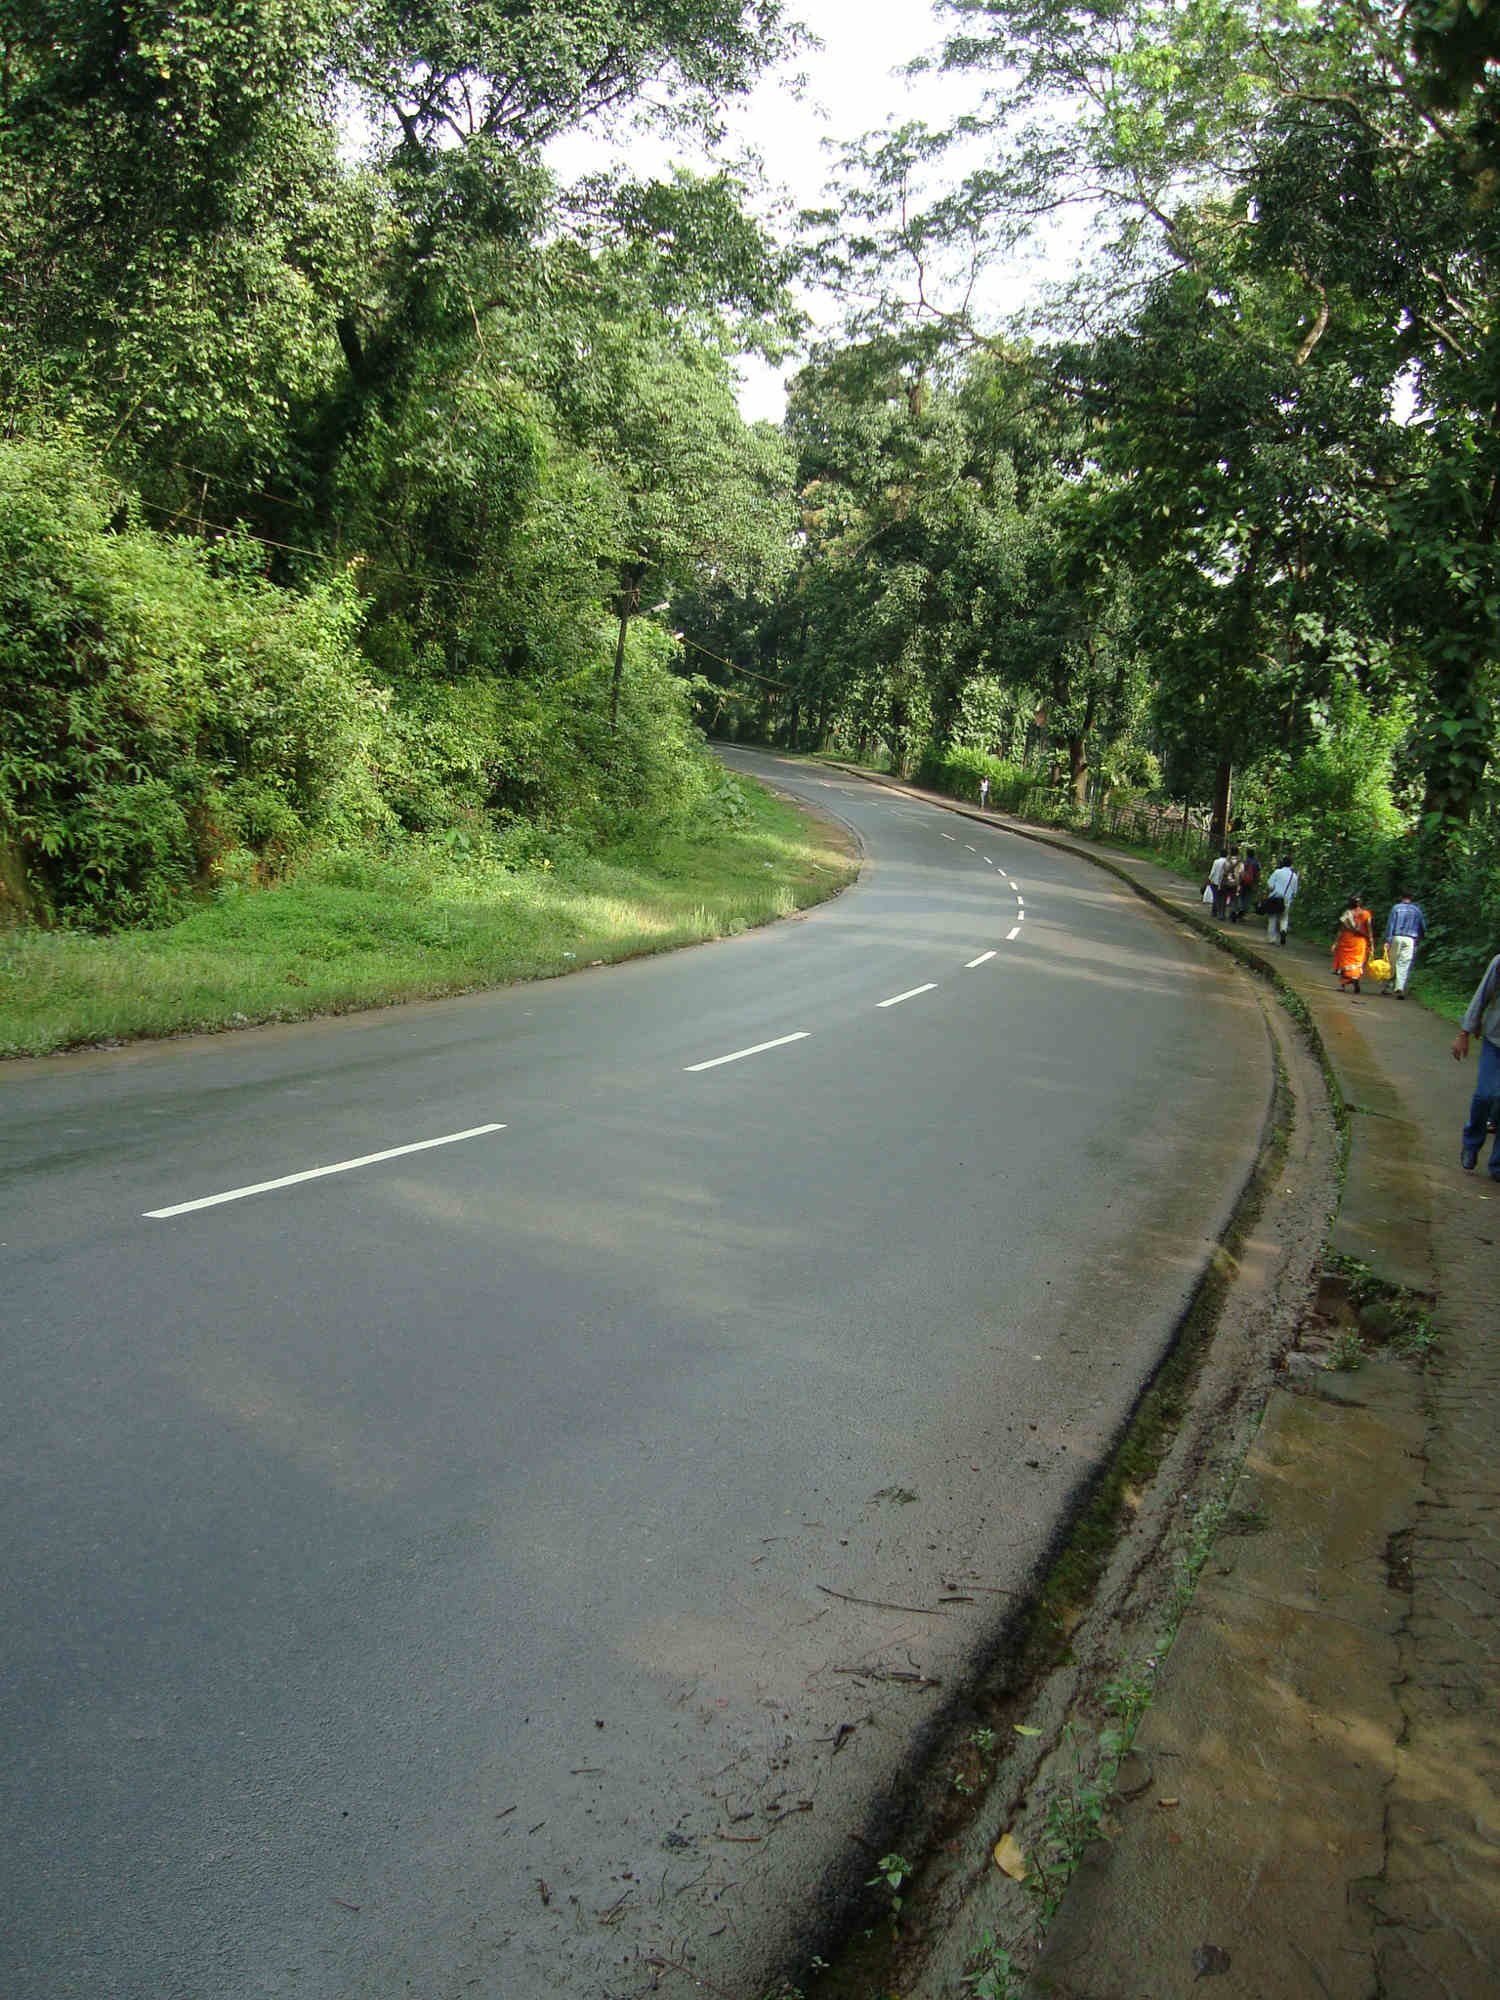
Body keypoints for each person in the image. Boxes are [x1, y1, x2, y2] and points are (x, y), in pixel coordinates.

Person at [1453, 950, 1500, 1180]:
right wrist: (1465, 1032)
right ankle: (1471, 1142)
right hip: (1495, 1041)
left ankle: (1498, 1164)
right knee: (1485, 1095)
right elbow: (1481, 997)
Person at [1382, 890, 1427, 999]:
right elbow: (1423, 926)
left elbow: (1391, 924)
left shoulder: (1396, 908)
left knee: (1392, 962)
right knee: (1404, 963)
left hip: (1396, 937)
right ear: (1411, 898)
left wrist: (1388, 940)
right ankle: (1400, 987)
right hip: (1410, 939)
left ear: (1402, 897)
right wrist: (1419, 938)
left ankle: (1389, 986)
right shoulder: (1417, 910)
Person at [1331, 891, 1374, 995]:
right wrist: (1371, 943)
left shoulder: (1347, 914)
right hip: (1360, 942)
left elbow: (1341, 929)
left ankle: (1343, 985)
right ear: (1360, 903)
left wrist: (1335, 943)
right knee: (1357, 963)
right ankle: (1355, 979)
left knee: (1344, 963)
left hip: (1346, 940)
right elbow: (1369, 930)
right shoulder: (1366, 914)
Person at [1264, 855, 1299, 945]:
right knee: (1284, 918)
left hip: (1275, 898)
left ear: (1282, 863)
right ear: (1291, 864)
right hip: (1286, 900)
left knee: (1273, 918)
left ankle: (1272, 939)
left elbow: (1270, 885)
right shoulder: (1294, 876)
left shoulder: (1277, 872)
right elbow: (1295, 892)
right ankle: (1283, 930)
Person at [1234, 848, 1260, 923]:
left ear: (1247, 854)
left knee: (1240, 896)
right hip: (1252, 883)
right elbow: (1258, 874)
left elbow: (1240, 872)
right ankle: (1243, 912)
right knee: (1248, 898)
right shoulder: (1256, 863)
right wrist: (1256, 883)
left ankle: (1240, 908)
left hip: (1243, 882)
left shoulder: (1244, 862)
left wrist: (1238, 881)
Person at [1207, 847, 1230, 920]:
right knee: (1223, 898)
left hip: (1215, 882)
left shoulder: (1216, 861)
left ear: (1220, 854)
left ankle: (1214, 912)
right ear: (1227, 855)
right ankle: (1222, 914)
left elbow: (1213, 872)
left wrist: (1209, 879)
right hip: (1225, 883)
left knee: (1216, 897)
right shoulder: (1228, 863)